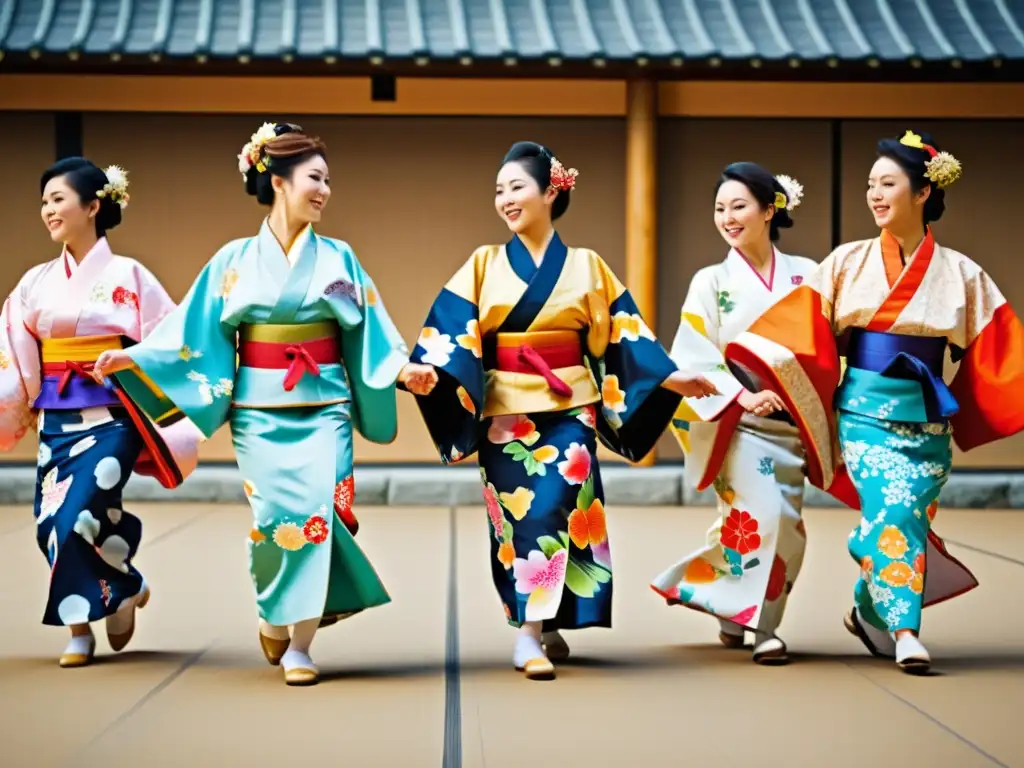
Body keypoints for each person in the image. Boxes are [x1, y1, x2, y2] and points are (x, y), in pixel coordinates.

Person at [93, 122, 437, 686]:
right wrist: (138, 358)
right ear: (278, 180)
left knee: (320, 517)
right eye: (314, 178)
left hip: (325, 407)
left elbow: (372, 330)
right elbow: (193, 329)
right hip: (260, 414)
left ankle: (299, 644)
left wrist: (402, 371)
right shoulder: (234, 259)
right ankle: (276, 610)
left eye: (328, 180)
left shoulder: (339, 257)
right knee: (277, 522)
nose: (324, 190)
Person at [407, 141, 718, 680]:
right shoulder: (483, 264)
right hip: (505, 412)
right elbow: (451, 331)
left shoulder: (587, 267)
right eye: (499, 191)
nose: (506, 200)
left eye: (517, 188)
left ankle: (538, 627)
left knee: (564, 509)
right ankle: (532, 628)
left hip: (570, 405)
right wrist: (430, 373)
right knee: (521, 519)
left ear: (551, 192)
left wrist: (667, 377)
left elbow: (623, 337)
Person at [724, 130, 1024, 673]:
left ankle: (869, 612)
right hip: (864, 413)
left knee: (907, 515)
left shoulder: (961, 272)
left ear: (923, 192)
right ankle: (906, 632)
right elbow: (800, 332)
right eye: (870, 184)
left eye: (888, 183)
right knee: (892, 509)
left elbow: (999, 348)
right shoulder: (847, 262)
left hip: (927, 417)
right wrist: (764, 376)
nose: (875, 194)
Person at [0, 158, 200, 668]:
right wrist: (17, 404)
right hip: (57, 418)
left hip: (113, 414)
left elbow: (172, 337)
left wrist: (127, 358)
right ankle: (123, 586)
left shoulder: (129, 275)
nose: (48, 210)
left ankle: (80, 630)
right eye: (43, 201)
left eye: (58, 199)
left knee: (77, 511)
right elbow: (15, 350)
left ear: (93, 206)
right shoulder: (34, 282)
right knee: (52, 522)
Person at [651, 163, 818, 664]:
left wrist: (796, 393)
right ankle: (764, 626)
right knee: (764, 513)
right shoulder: (711, 281)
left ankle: (728, 603)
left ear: (770, 211)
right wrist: (741, 396)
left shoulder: (806, 274)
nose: (727, 217)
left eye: (739, 206)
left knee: (781, 523)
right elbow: (694, 353)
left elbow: (826, 349)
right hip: (736, 422)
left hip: (792, 420)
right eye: (720, 208)